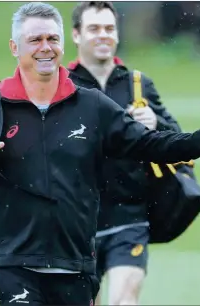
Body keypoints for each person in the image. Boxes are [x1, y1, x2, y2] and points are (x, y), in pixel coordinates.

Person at [0, 2, 200, 306]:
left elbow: (145, 143)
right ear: (14, 46)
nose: (45, 48)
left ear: (63, 43)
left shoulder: (91, 105)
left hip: (74, 261)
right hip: (14, 259)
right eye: (35, 40)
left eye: (52, 39)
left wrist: (196, 142)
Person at [68, 2, 185, 305]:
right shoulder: (60, 85)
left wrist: (155, 123)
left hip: (129, 216)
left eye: (109, 28)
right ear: (76, 35)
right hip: (76, 222)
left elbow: (176, 140)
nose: (103, 35)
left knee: (125, 299)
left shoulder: (138, 84)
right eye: (94, 29)